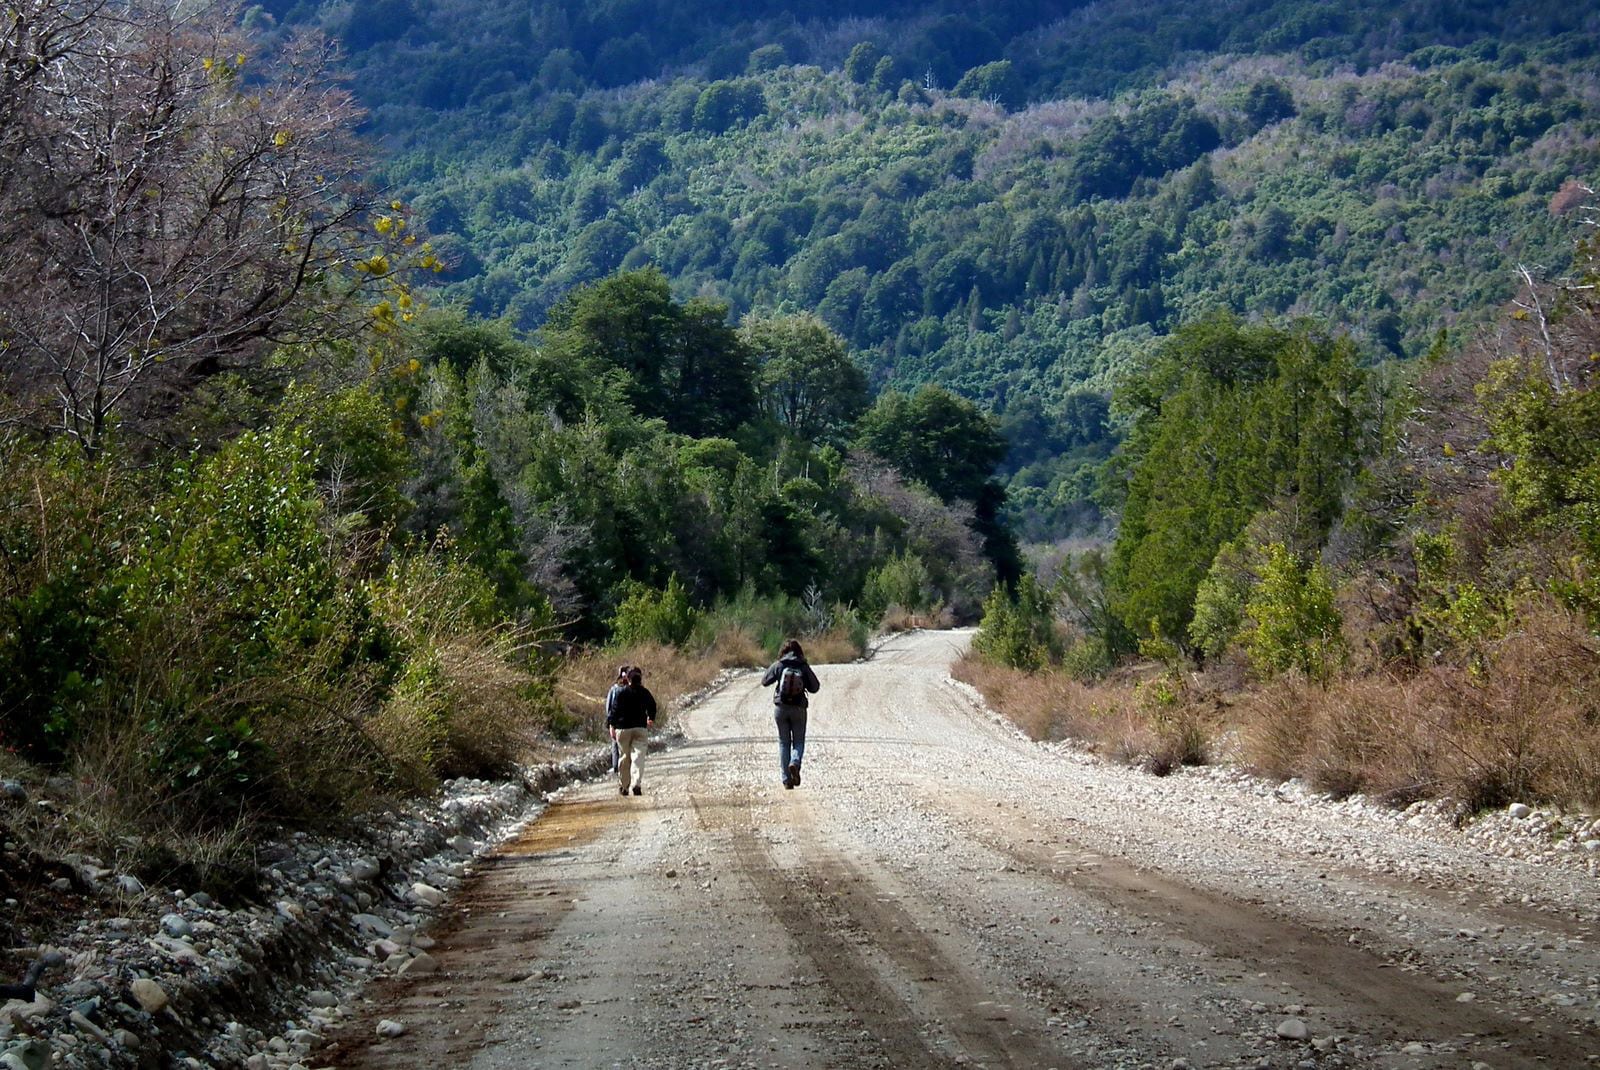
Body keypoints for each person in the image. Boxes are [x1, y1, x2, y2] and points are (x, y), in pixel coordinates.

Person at [760, 638, 820, 789]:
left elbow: (764, 681)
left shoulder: (780, 664)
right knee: (798, 741)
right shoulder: (803, 666)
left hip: (781, 708)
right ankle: (795, 762)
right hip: (799, 708)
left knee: (783, 742)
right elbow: (815, 687)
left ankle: (787, 780)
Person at [607, 666, 656, 796]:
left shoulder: (621, 692)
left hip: (622, 729)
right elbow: (652, 705)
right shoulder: (645, 692)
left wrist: (611, 725)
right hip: (640, 728)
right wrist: (651, 718)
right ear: (640, 679)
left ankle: (624, 786)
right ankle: (636, 783)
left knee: (624, 757)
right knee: (638, 757)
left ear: (628, 679)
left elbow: (613, 711)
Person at [604, 664, 630, 774]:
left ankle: (616, 767)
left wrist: (610, 722)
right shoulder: (631, 689)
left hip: (616, 722)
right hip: (628, 723)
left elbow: (608, 707)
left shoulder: (613, 689)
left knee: (615, 743)